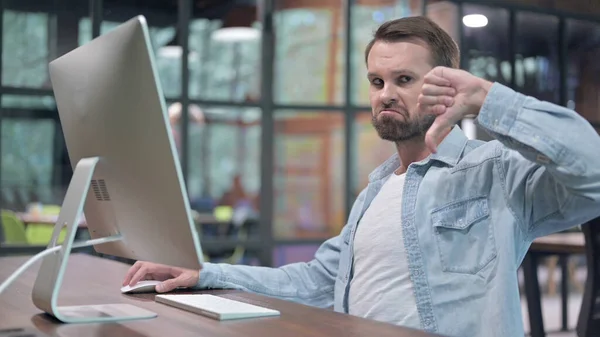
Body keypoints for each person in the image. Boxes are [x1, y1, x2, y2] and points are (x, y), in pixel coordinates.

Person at [122, 16, 600, 337]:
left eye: (404, 80)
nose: (386, 94)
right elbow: (316, 280)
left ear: (446, 85)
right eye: (377, 82)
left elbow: (593, 171)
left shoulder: (495, 172)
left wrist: (492, 99)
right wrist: (205, 275)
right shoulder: (375, 190)